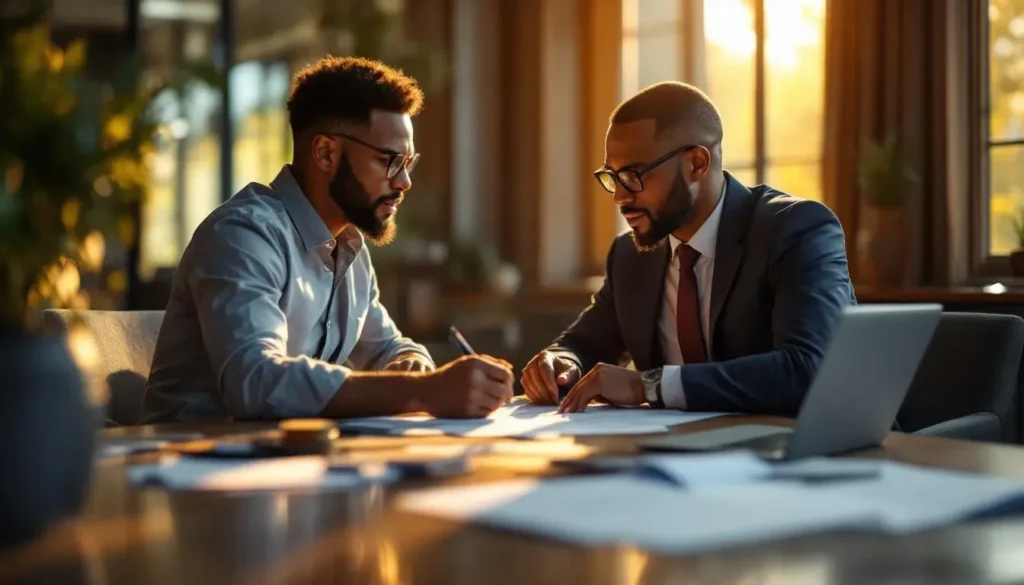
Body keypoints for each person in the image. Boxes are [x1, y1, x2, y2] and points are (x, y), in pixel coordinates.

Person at [142, 56, 513, 423]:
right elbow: (255, 382)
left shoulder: (348, 247)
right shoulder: (242, 236)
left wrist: (409, 364)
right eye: (389, 161)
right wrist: (423, 391)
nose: (404, 183)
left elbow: (387, 347)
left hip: (286, 463)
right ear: (325, 153)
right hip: (185, 462)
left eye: (408, 163)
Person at [520, 81, 855, 415]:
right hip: (682, 454)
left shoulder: (796, 229)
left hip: (809, 451)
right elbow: (584, 344)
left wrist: (647, 384)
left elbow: (810, 370)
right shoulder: (631, 255)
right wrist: (561, 363)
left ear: (697, 163)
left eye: (634, 174)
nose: (620, 197)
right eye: (612, 175)